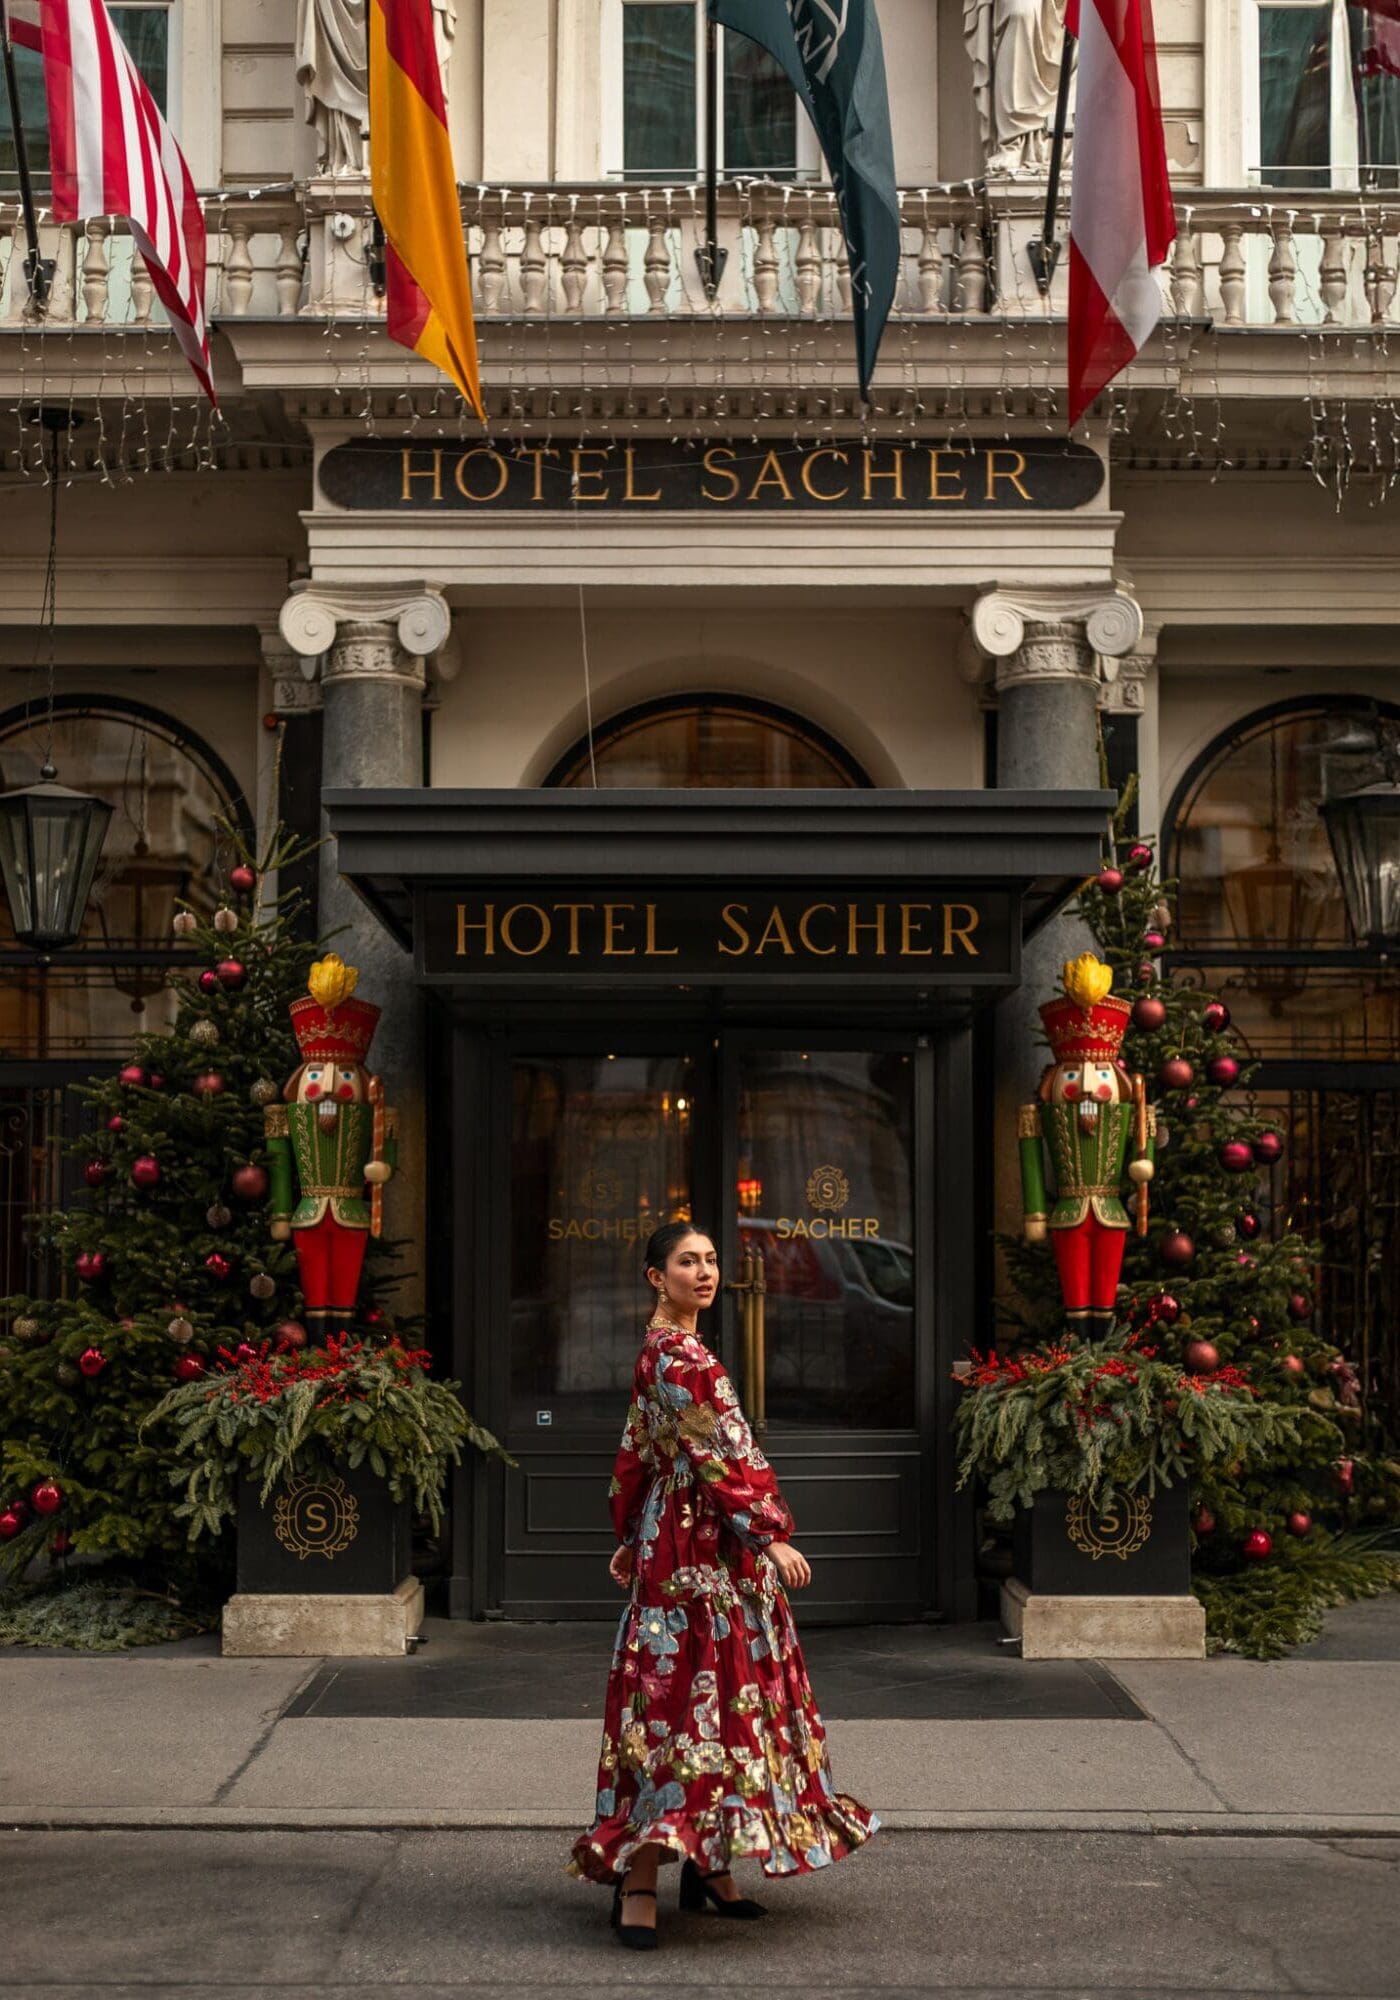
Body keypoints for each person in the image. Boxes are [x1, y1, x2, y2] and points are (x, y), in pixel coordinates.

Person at [567, 1222, 878, 1949]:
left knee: (721, 1698)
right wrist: (769, 1532)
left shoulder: (684, 1350)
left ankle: (706, 1862)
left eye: (710, 1261)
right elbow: (713, 1455)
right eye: (686, 1262)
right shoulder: (673, 1355)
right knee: (680, 1700)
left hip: (702, 1540)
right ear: (656, 1276)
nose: (703, 1273)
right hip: (695, 1550)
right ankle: (639, 1876)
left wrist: (630, 1529)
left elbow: (640, 1448)